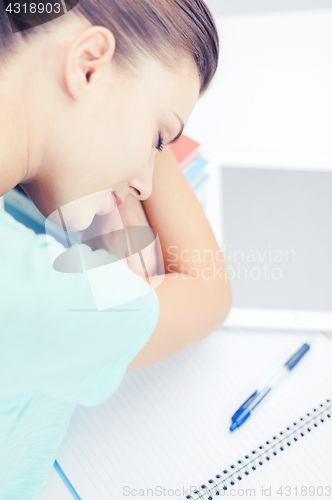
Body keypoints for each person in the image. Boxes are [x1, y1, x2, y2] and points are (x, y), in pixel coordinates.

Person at [0, 0, 231, 498]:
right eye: (159, 138)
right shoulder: (30, 288)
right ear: (88, 65)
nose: (146, 187)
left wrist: (117, 139)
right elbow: (205, 290)